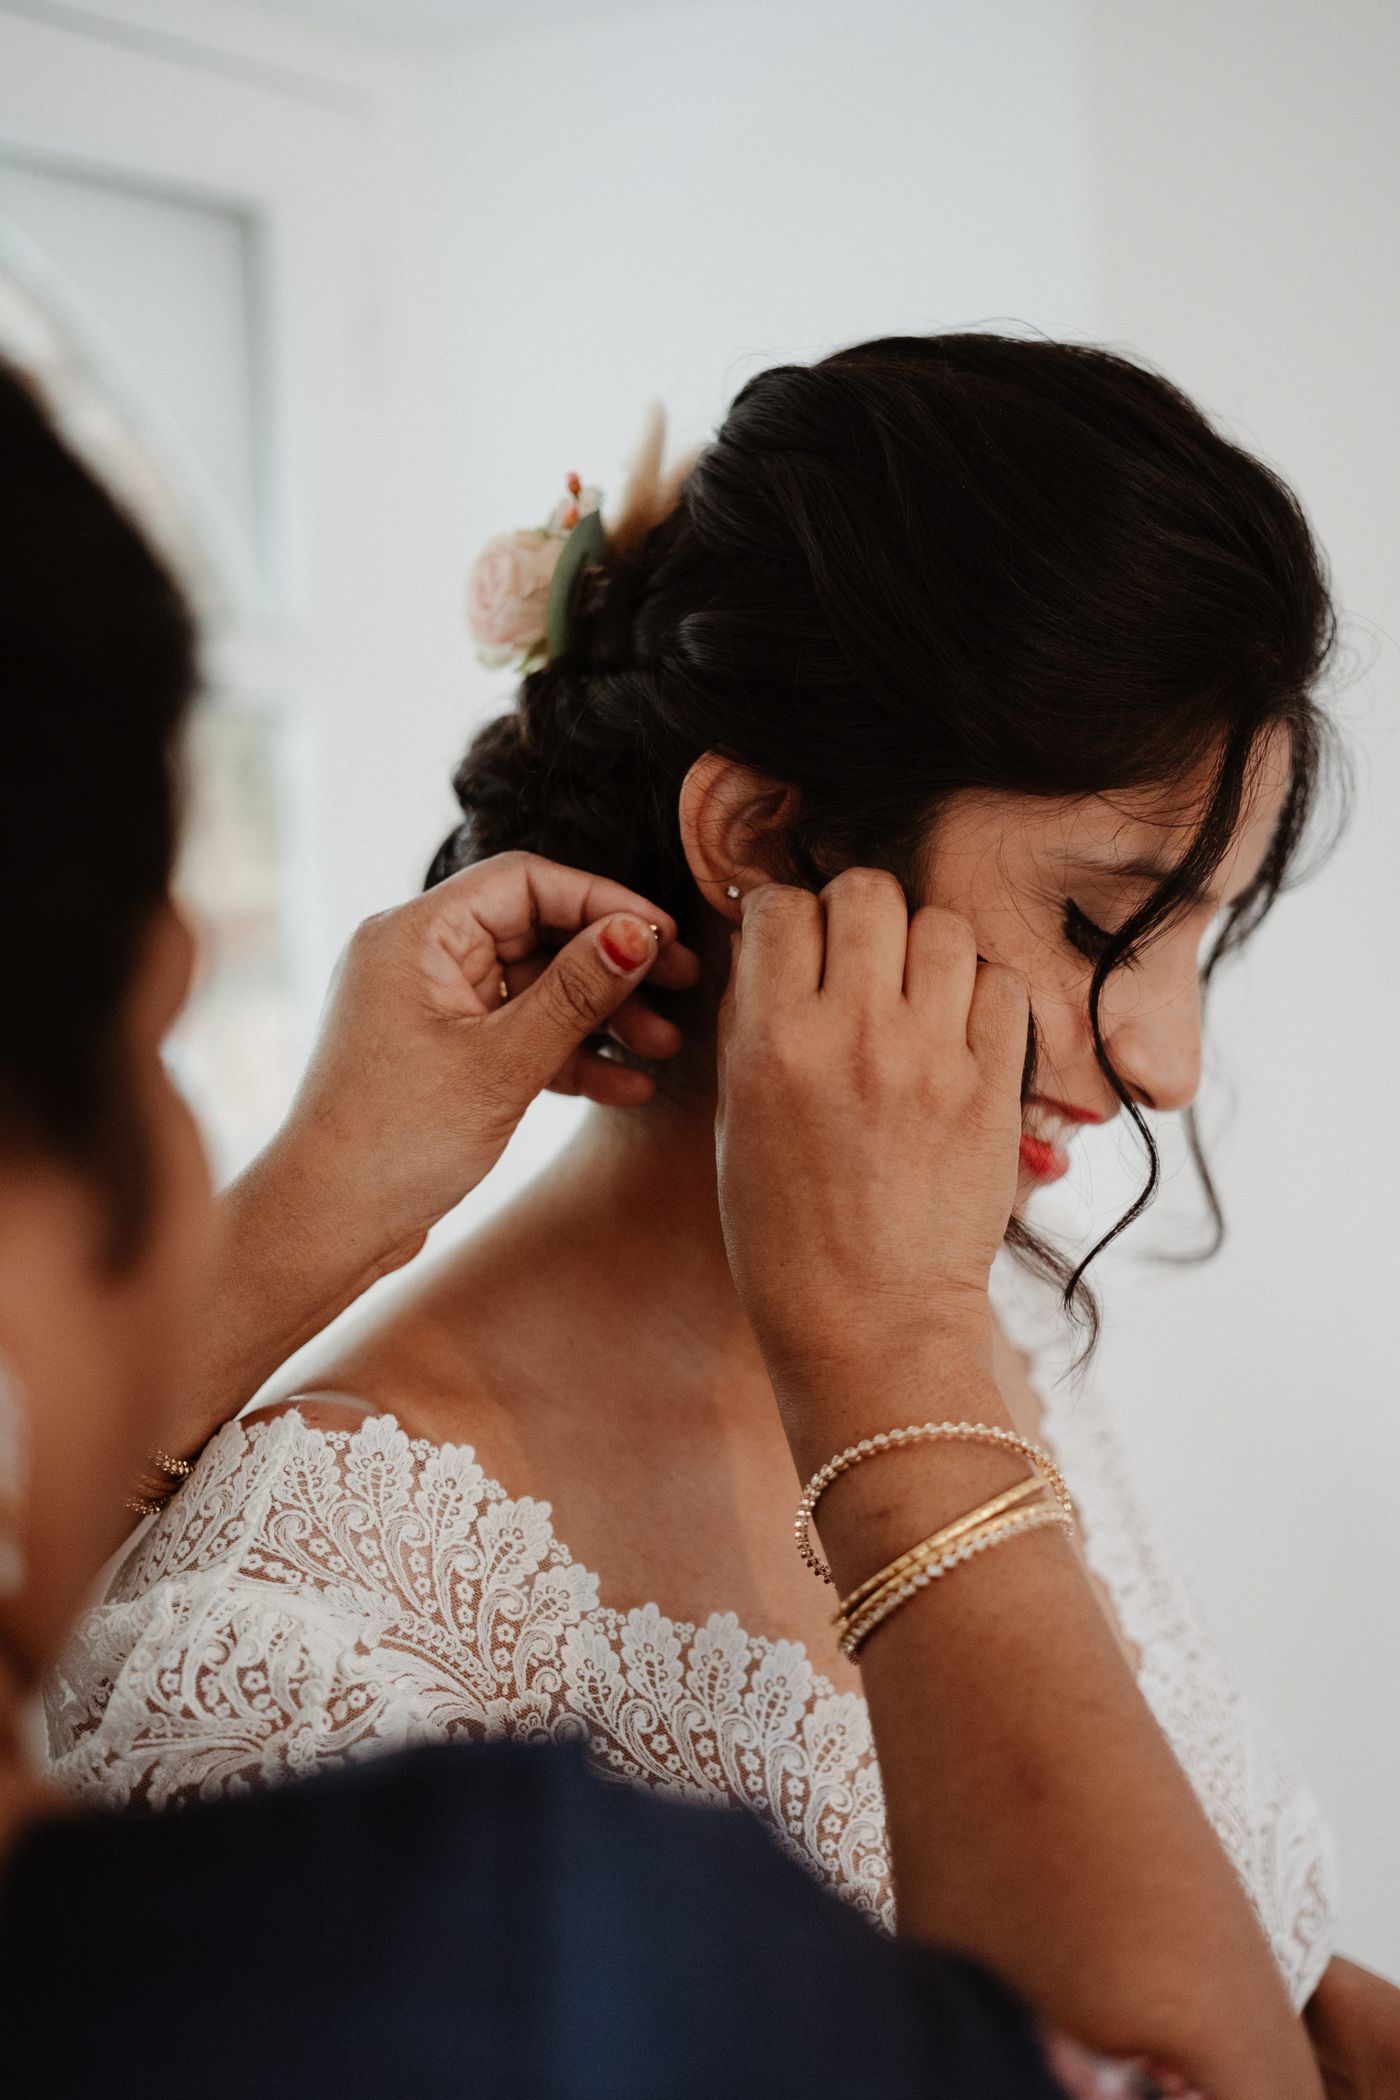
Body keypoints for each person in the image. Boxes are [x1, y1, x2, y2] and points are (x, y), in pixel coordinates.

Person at [42, 332, 1397, 2092]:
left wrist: (1305, 1993)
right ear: (756, 834)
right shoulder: (307, 1627)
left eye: (1205, 939)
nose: (1167, 1058)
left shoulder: (1003, 1327)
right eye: (1099, 926)